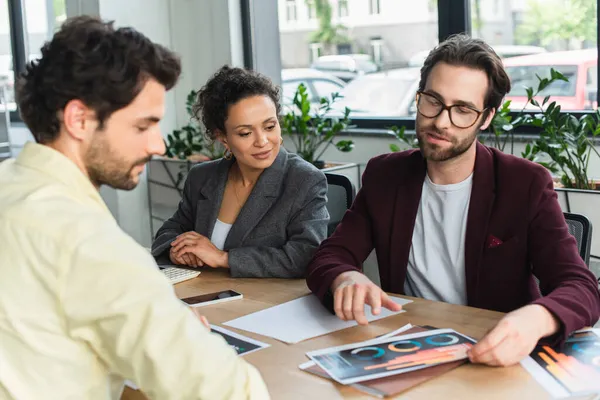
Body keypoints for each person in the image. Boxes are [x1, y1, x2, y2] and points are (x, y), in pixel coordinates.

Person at [0, 16, 269, 399]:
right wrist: (179, 334)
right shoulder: (89, 244)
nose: (158, 146)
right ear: (79, 119)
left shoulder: (9, 186)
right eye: (143, 126)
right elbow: (226, 391)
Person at [306, 34, 600, 367]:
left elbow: (580, 286)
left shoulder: (524, 184)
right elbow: (330, 255)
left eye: (462, 109)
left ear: (486, 118)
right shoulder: (385, 176)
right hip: (408, 349)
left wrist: (536, 319)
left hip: (493, 354)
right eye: (432, 100)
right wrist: (346, 277)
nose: (441, 121)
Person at [151, 66, 329, 278]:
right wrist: (177, 251)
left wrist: (222, 258)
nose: (262, 141)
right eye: (245, 133)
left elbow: (305, 255)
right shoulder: (202, 178)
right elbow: (169, 232)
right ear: (223, 138)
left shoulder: (304, 180)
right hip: (209, 297)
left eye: (270, 126)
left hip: (269, 303)